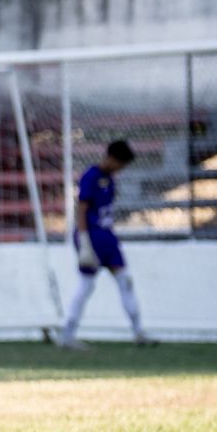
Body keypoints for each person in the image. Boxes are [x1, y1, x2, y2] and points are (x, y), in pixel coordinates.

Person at [60, 139, 157, 349]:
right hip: (91, 238)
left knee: (125, 281)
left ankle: (139, 332)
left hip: (108, 239)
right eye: (121, 164)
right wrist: (84, 243)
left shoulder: (110, 179)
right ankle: (67, 334)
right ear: (112, 158)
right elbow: (82, 210)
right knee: (85, 285)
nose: (121, 169)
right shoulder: (91, 176)